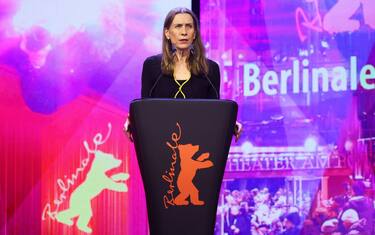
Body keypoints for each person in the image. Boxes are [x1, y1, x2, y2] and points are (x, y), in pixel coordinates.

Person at [124, 7, 242, 140]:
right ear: (167, 33)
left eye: (189, 27)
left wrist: (229, 123)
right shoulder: (152, 66)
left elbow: (214, 113)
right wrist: (133, 120)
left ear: (195, 33)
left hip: (198, 143)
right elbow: (145, 110)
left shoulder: (210, 69)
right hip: (161, 142)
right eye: (178, 26)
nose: (184, 32)